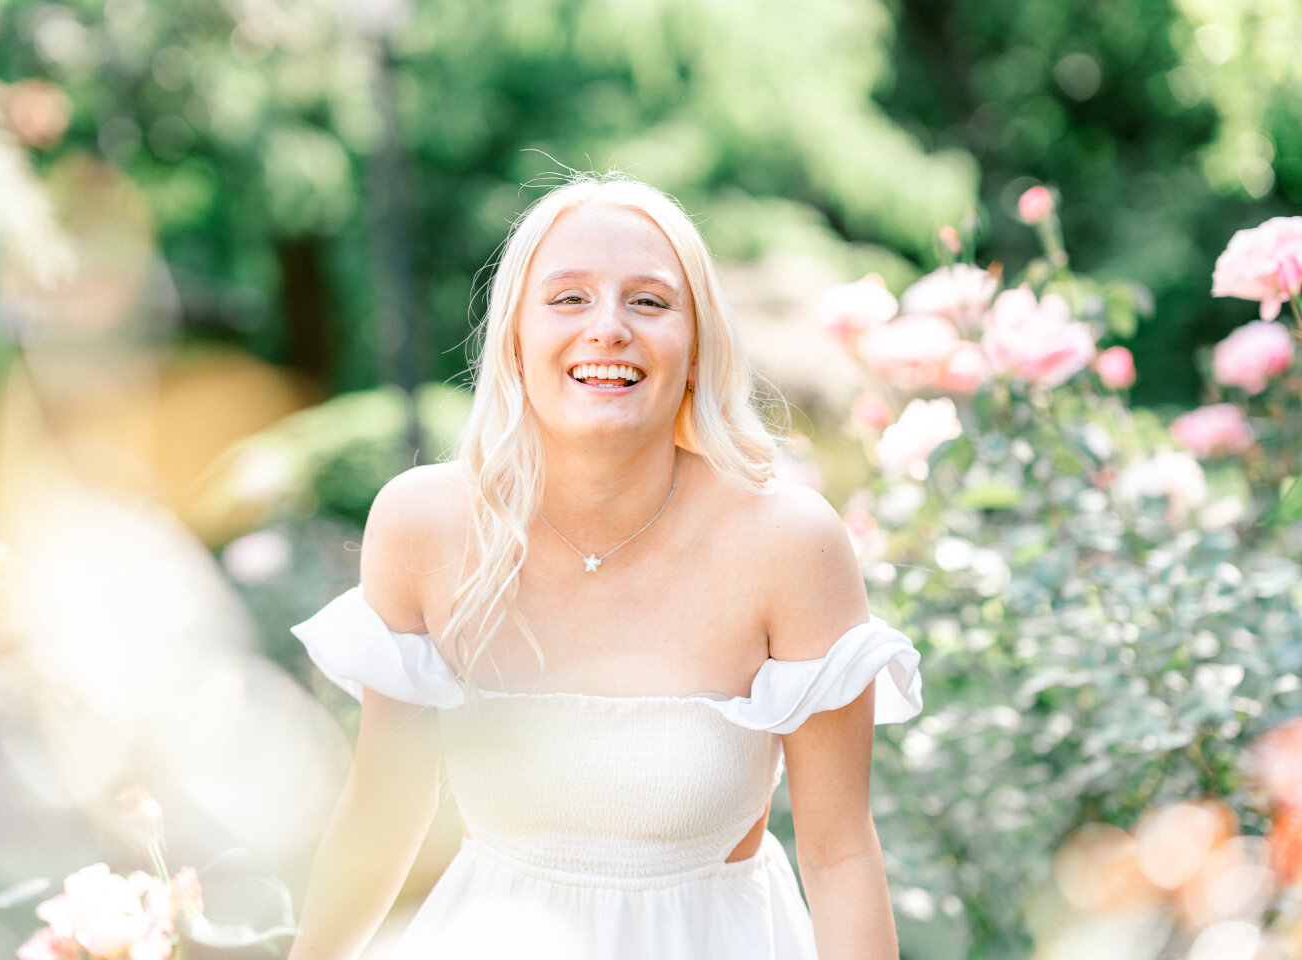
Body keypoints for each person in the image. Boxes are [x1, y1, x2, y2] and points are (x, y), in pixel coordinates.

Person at [287, 173, 924, 960]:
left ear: (696, 347)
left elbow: (839, 855)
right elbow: (383, 815)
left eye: (650, 302)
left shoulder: (788, 544)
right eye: (569, 299)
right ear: (515, 338)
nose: (609, 329)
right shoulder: (424, 525)